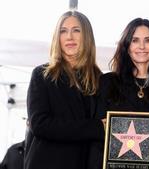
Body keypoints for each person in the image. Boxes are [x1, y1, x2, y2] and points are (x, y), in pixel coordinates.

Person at [95, 18, 149, 169]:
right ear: (127, 46)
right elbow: (98, 133)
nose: (142, 46)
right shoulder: (107, 82)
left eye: (148, 40)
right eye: (135, 40)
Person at [24, 10, 104, 169]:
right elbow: (40, 124)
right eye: (63, 31)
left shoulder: (99, 79)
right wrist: (95, 127)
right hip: (46, 163)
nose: (69, 37)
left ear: (86, 36)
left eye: (76, 30)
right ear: (57, 37)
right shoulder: (42, 75)